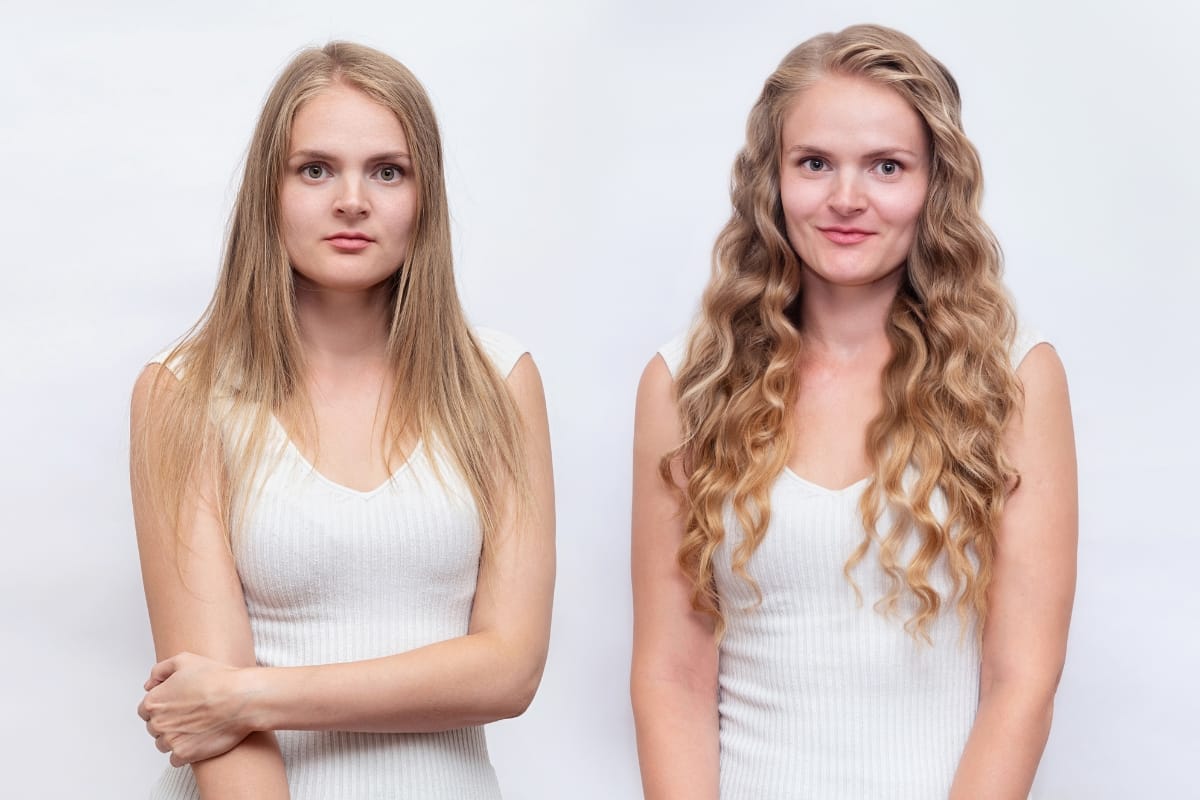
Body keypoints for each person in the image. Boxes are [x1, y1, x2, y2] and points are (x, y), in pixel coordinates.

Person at [631, 24, 1076, 799]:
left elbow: (1022, 681)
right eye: (814, 164)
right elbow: (671, 676)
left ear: (935, 183)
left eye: (886, 167)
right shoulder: (687, 383)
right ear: (770, 179)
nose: (846, 198)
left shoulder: (1012, 377)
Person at [130, 42, 555, 800]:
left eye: (387, 171)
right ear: (272, 190)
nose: (351, 200)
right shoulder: (183, 391)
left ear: (425, 198)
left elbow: (510, 669)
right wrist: (226, 701)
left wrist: (253, 693)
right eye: (315, 169)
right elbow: (211, 726)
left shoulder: (499, 381)